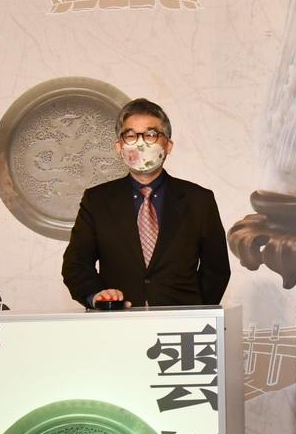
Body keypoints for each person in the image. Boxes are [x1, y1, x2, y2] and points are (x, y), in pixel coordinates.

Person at [62, 98, 230, 307]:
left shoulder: (199, 200)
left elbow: (216, 269)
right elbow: (76, 265)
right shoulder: (96, 200)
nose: (140, 143)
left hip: (181, 321)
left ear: (168, 145)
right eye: (131, 135)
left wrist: (197, 312)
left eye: (151, 135)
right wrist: (97, 296)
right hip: (117, 320)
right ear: (119, 146)